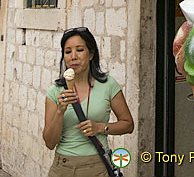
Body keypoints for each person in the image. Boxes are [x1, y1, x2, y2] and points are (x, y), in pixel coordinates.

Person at [43, 27, 134, 176]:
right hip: (63, 167)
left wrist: (99, 127)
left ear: (91, 54)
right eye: (68, 52)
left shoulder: (108, 85)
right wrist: (60, 111)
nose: (73, 57)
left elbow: (128, 125)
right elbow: (50, 143)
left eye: (79, 50)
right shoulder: (55, 92)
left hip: (97, 166)